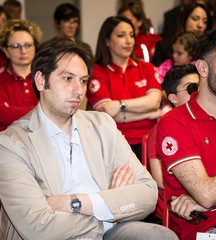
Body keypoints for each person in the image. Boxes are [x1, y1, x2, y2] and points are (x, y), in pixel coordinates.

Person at [0, 38, 178, 240]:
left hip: (109, 232)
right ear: (41, 81)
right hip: (57, 235)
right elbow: (37, 228)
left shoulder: (102, 125)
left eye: (83, 81)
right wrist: (109, 207)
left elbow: (147, 193)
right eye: (68, 78)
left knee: (160, 236)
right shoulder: (10, 143)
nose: (79, 90)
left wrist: (81, 202)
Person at [157, 28, 216, 240]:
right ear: (203, 68)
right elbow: (207, 194)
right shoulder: (174, 122)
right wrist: (208, 198)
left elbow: (208, 198)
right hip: (207, 232)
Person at [86, 16, 162, 161]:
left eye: (131, 35)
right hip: (114, 143)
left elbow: (154, 102)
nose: (129, 41)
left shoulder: (146, 68)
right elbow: (108, 113)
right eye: (121, 35)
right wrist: (148, 114)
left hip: (150, 142)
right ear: (107, 41)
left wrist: (120, 105)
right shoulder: (97, 72)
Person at [148, 64, 199, 191]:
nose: (198, 92)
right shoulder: (161, 129)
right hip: (178, 200)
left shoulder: (210, 122)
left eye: (201, 86)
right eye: (191, 88)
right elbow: (160, 181)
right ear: (173, 97)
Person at [0, 19, 42, 131]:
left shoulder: (45, 78)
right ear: (5, 50)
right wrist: (39, 111)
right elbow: (2, 114)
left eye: (28, 45)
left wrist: (13, 111)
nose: (23, 51)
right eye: (15, 46)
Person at [152, 1, 212, 67]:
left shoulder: (210, 49)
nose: (200, 25)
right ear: (184, 20)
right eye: (195, 19)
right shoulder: (164, 47)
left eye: (205, 21)